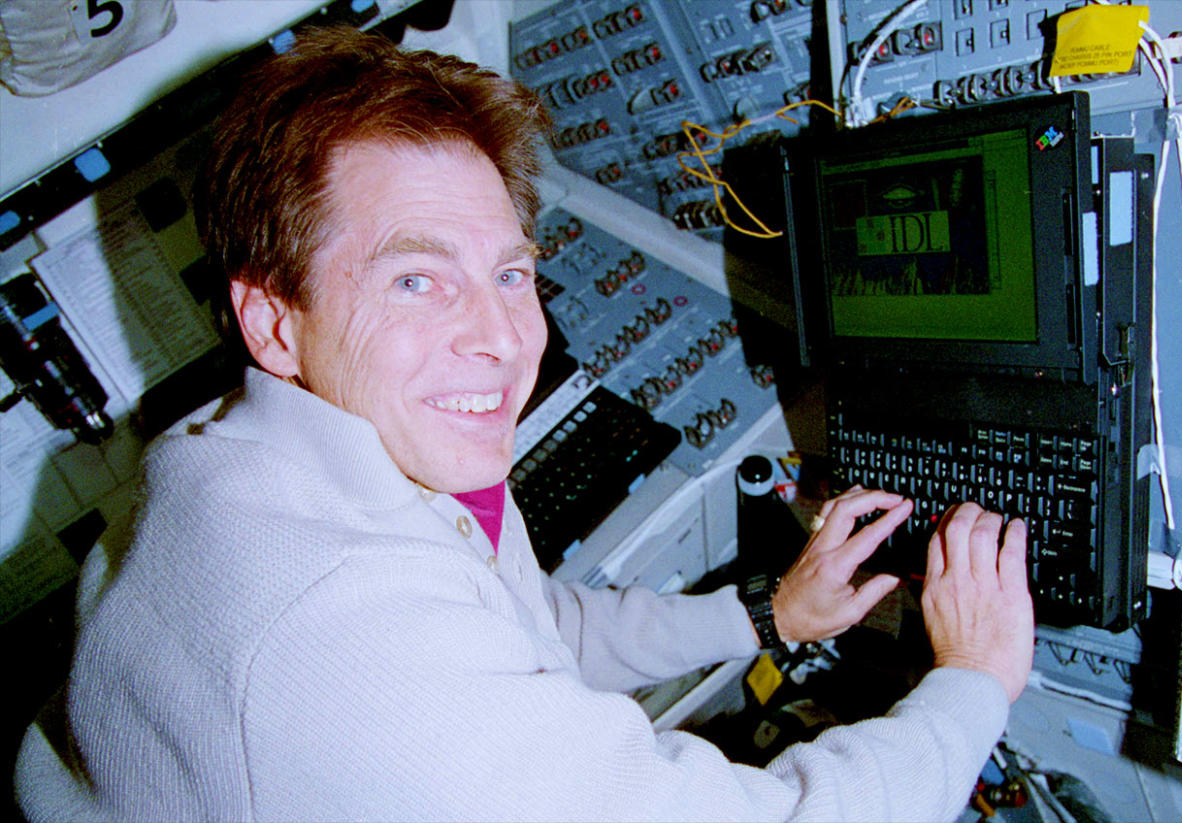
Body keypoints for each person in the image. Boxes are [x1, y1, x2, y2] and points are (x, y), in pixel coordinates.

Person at [14, 25, 1034, 822]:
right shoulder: (342, 638)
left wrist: (768, 615)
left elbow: (526, 623)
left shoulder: (247, 452)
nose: (502, 337)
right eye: (417, 279)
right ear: (273, 323)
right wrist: (975, 680)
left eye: (510, 274)